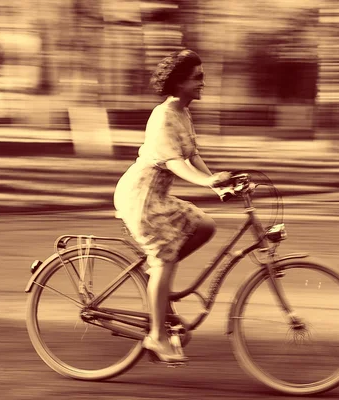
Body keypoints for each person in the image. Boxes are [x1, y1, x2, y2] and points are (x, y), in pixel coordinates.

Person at [113, 49, 231, 363]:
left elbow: (192, 156)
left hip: (158, 199)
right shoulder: (163, 116)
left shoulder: (183, 112)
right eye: (198, 78)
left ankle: (159, 285)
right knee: (165, 258)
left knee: (205, 225)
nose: (203, 83)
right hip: (139, 198)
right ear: (179, 82)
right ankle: (156, 336)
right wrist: (207, 183)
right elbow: (176, 164)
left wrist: (219, 184)